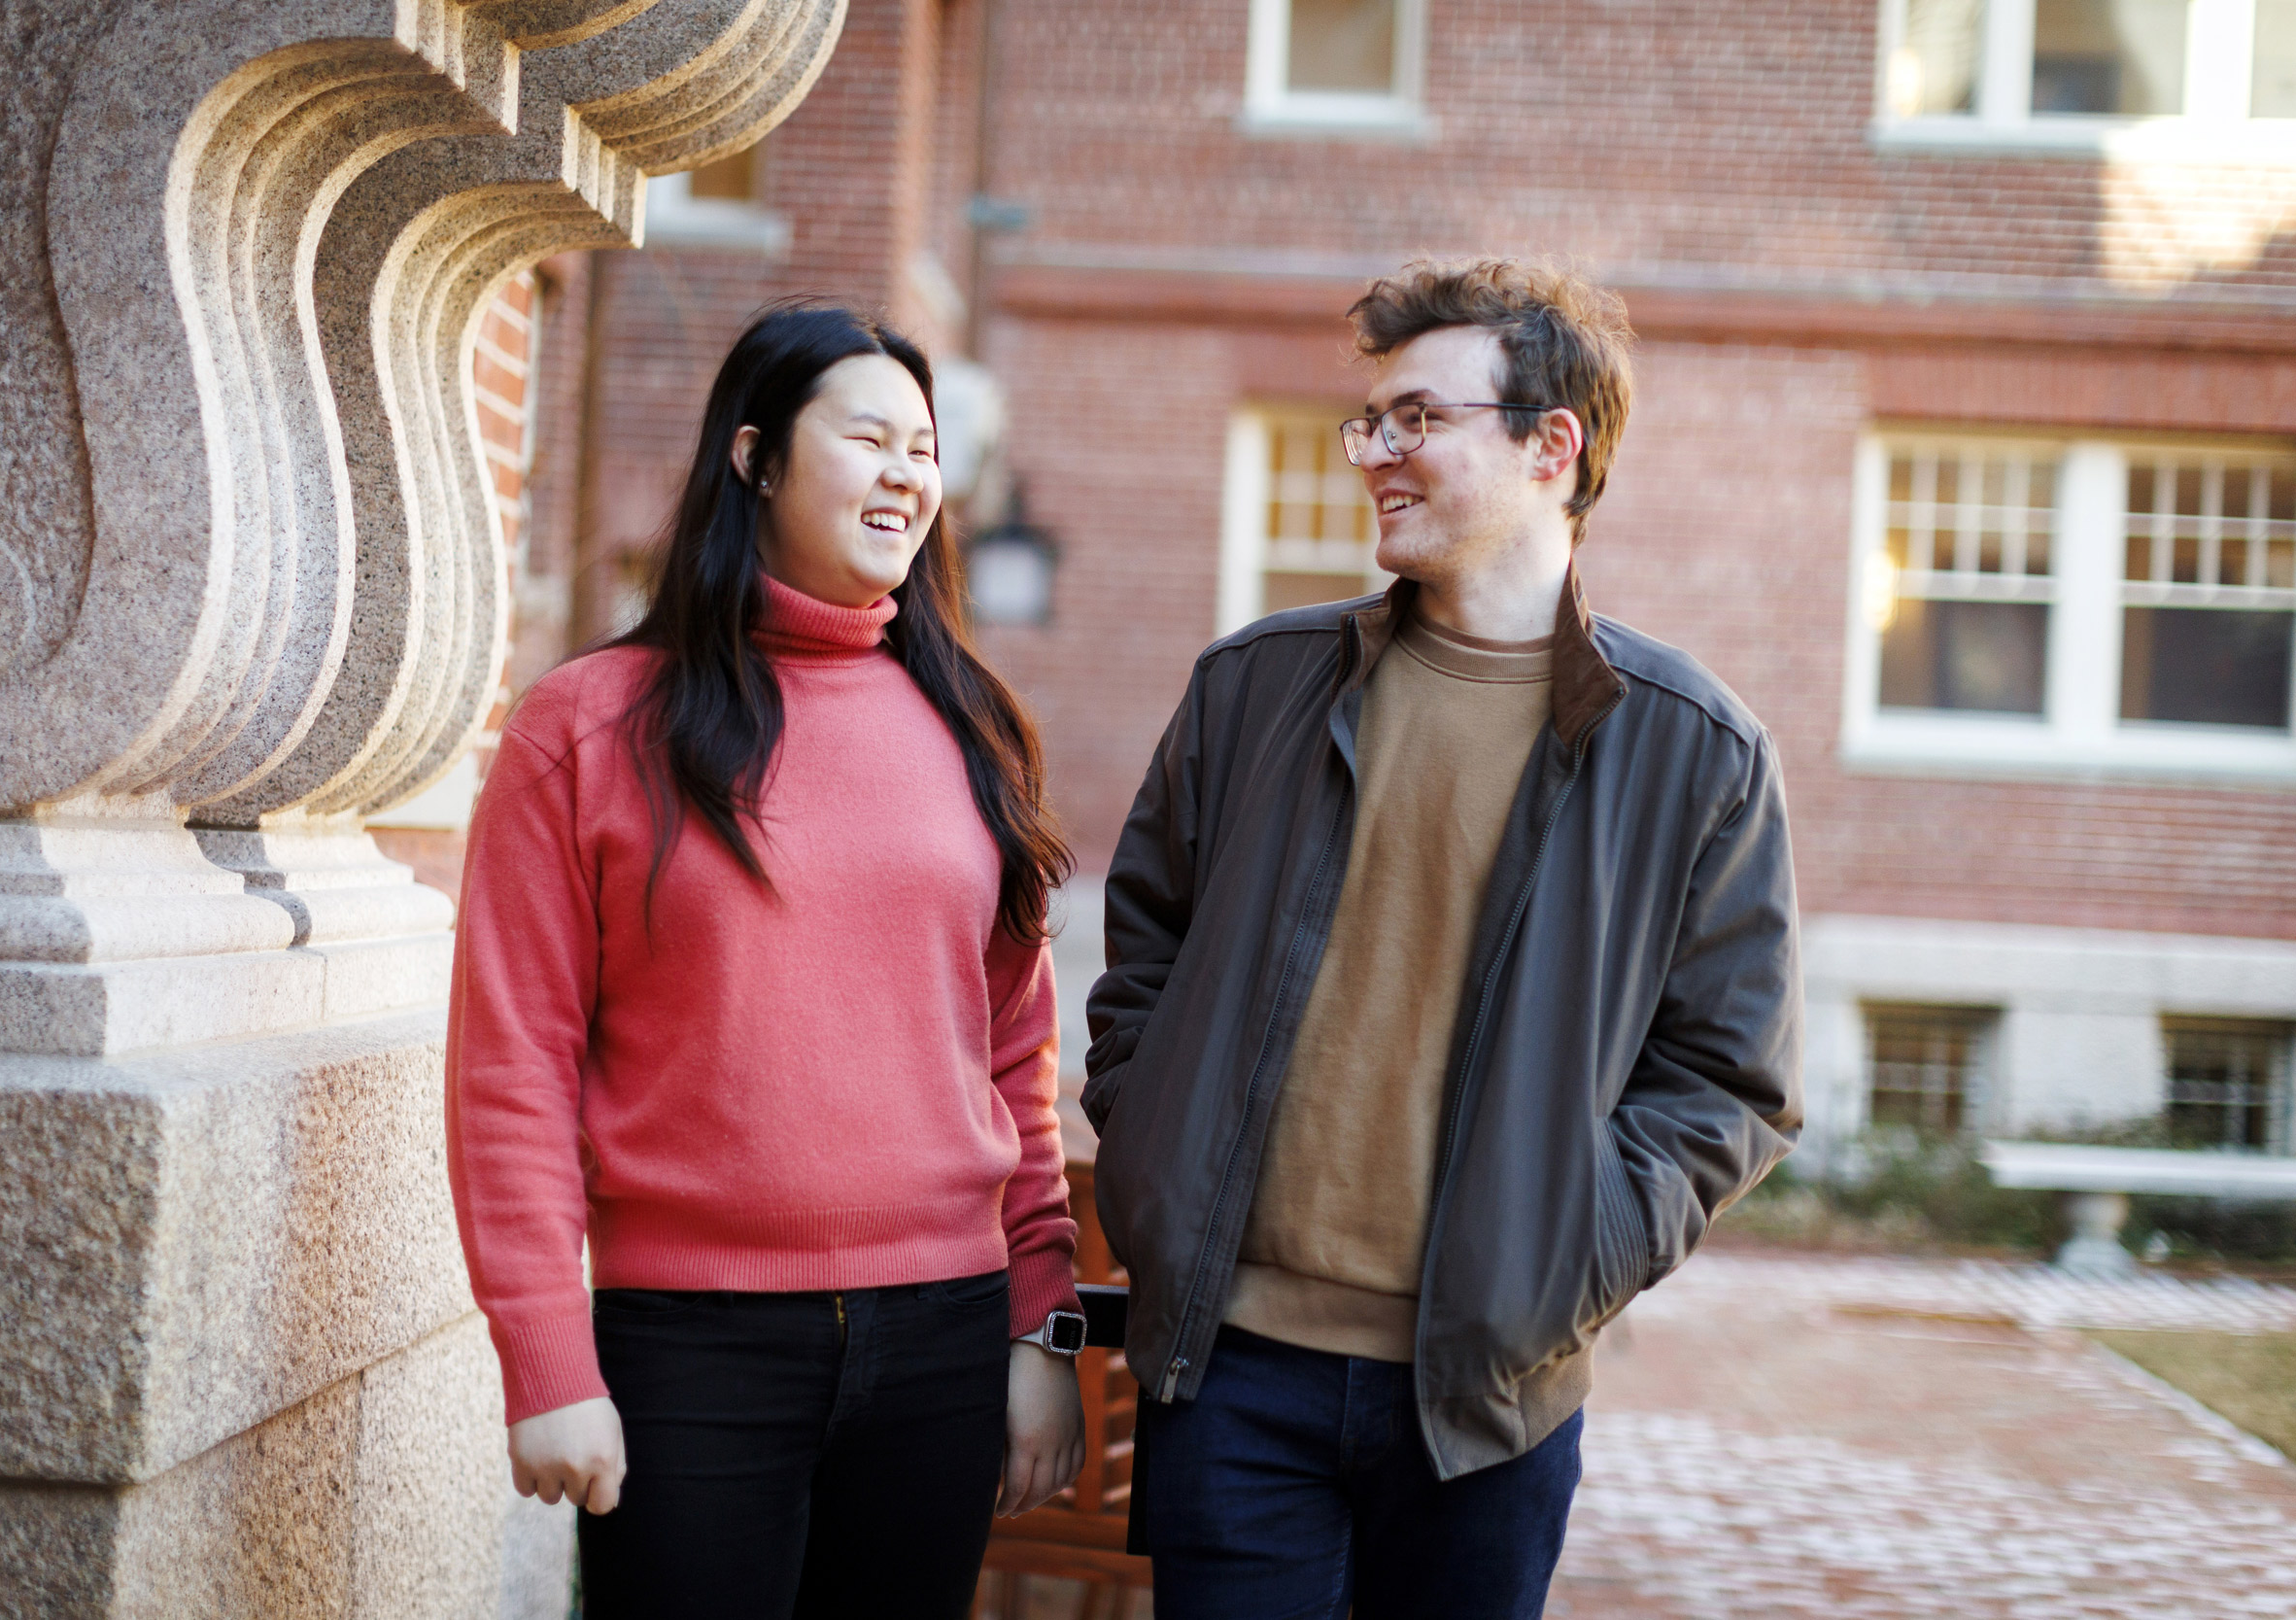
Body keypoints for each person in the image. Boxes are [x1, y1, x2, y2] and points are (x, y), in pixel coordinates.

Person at [1082, 259, 1803, 1620]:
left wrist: (1565, 1262)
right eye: (1371, 422)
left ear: (1551, 446)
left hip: (1487, 1403)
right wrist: (1153, 1153)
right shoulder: (1253, 689)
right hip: (1232, 1373)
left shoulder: (1693, 749)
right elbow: (1142, 966)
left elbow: (1729, 1082)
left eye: (1418, 419)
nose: (1377, 455)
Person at [447, 301, 1089, 1618]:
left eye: (926, 447)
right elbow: (514, 1061)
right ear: (754, 459)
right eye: (871, 438)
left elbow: (1013, 1054)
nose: (913, 473)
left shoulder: (974, 727)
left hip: (945, 1339)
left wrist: (1042, 1320)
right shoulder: (588, 729)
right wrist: (547, 1359)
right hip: (692, 1349)